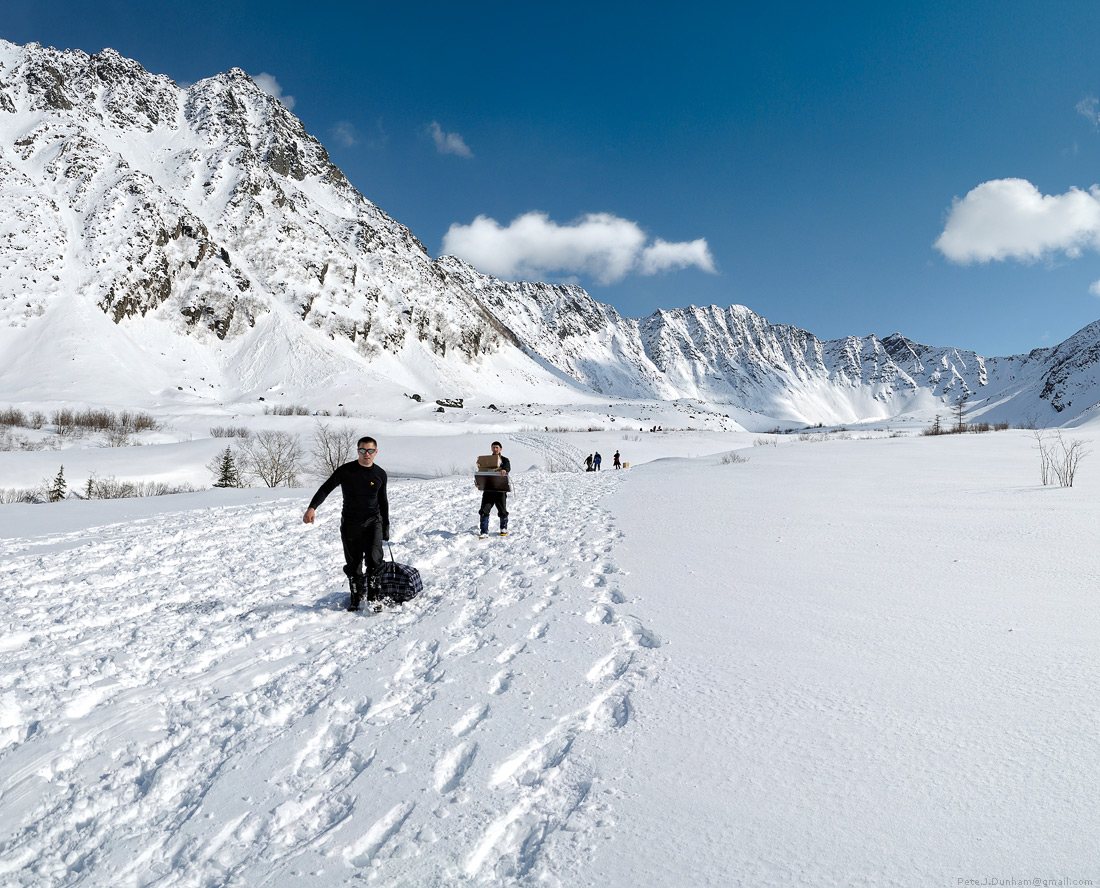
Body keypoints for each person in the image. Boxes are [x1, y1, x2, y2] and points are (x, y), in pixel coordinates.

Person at [303, 436, 389, 611]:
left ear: (376, 452)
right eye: (363, 450)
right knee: (353, 563)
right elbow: (325, 488)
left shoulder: (380, 474)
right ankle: (356, 598)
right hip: (350, 524)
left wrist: (385, 527)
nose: (367, 454)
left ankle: (374, 598)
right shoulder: (346, 471)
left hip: (374, 522)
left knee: (374, 559)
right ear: (358, 451)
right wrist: (312, 508)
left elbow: (383, 502)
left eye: (370, 450)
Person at [478, 440, 510, 537]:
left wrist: (504, 469)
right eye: (493, 447)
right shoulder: (487, 460)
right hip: (488, 490)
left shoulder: (505, 460)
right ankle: (484, 531)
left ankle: (503, 528)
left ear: (500, 449)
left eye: (497, 447)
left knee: (502, 511)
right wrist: (478, 483)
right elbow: (481, 472)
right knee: (484, 511)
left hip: (500, 490)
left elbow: (507, 467)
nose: (495, 449)